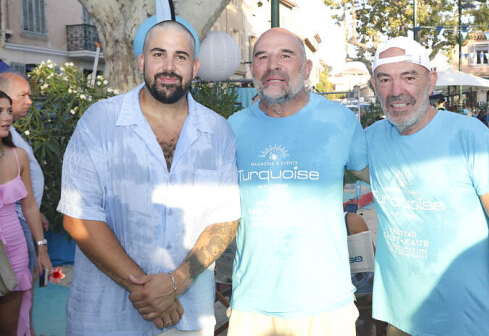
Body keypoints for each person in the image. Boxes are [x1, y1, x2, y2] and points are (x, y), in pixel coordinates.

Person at [57, 20, 241, 335]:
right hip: (105, 319)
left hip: (187, 319)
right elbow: (79, 217)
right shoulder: (100, 122)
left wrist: (176, 282)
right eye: (159, 54)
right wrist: (151, 293)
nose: (169, 66)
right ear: (142, 62)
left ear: (194, 67)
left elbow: (224, 220)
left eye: (180, 57)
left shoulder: (218, 130)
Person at [366, 36, 489, 335]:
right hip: (400, 318)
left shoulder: (468, 134)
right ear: (374, 85)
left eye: (409, 77)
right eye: (385, 80)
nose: (396, 91)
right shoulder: (369, 139)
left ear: (430, 81)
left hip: (468, 320)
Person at [227, 28, 369, 336]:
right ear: (253, 70)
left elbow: (385, 180)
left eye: (285, 55)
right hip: (252, 307)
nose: (272, 65)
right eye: (262, 57)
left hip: (326, 306)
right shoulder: (232, 129)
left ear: (306, 69)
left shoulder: (341, 122)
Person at [0, 90, 52, 336]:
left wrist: (42, 248)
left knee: (10, 327)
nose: (7, 117)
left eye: (9, 111)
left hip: (15, 249)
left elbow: (29, 205)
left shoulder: (18, 156)